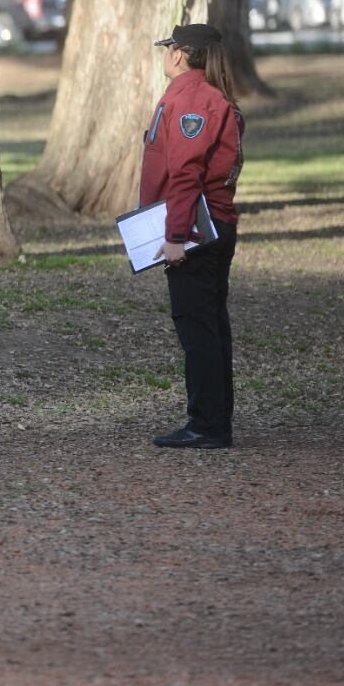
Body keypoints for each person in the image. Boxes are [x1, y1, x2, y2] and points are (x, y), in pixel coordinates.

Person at [141, 23, 244, 449]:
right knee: (211, 326)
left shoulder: (191, 100)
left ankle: (206, 425)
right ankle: (214, 421)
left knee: (198, 329)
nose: (165, 55)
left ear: (181, 54)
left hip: (198, 231)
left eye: (168, 48)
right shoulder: (211, 95)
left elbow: (185, 174)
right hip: (216, 225)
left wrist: (176, 236)